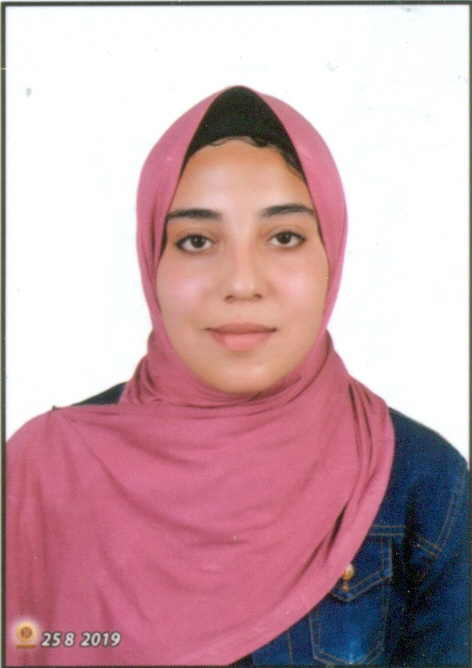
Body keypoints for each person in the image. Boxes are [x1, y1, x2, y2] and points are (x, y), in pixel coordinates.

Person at [6, 86, 468, 667]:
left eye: (284, 238)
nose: (242, 283)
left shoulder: (423, 483)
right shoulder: (44, 470)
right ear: (152, 259)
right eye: (197, 241)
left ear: (332, 253)